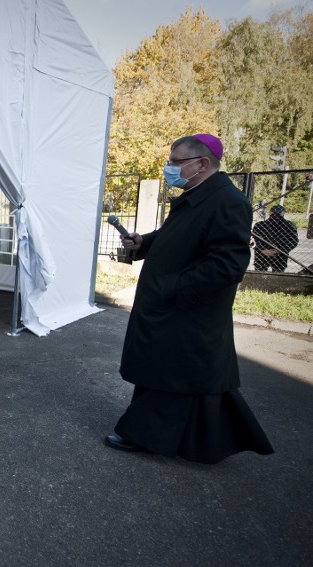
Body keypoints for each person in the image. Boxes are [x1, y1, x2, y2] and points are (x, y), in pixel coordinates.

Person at [105, 133, 274, 464]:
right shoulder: (197, 195)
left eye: (176, 162)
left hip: (187, 312)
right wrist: (145, 243)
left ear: (202, 164)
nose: (169, 168)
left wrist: (172, 290)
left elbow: (227, 265)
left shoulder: (228, 202)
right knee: (181, 377)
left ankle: (141, 433)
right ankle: (201, 442)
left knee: (172, 376)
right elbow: (178, 238)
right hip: (175, 309)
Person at [252, 204, 299, 273]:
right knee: (260, 272)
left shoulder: (289, 225)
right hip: (264, 254)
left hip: (280, 254)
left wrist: (279, 250)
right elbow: (253, 240)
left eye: (278, 215)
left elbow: (293, 241)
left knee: (277, 273)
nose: (275, 218)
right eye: (274, 215)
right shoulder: (260, 225)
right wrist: (262, 250)